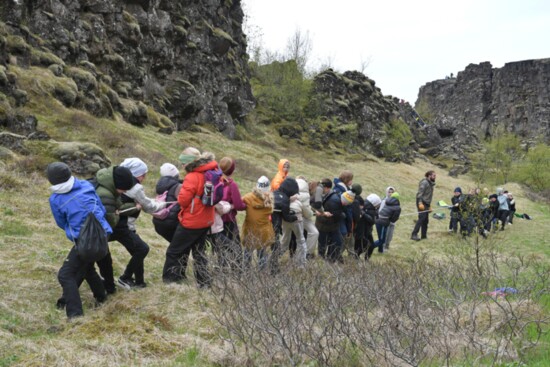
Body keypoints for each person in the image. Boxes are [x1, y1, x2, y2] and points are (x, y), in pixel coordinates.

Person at [47, 162, 112, 318]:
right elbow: (101, 209)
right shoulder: (86, 185)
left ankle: (75, 314)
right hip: (104, 233)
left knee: (65, 275)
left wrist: (75, 233)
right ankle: (102, 297)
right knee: (87, 267)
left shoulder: (56, 199)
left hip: (86, 241)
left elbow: (61, 222)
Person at [162, 147, 218, 287]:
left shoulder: (192, 176)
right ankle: (204, 282)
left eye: (183, 163)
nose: (182, 166)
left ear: (189, 162)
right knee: (199, 252)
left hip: (192, 221)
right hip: (206, 219)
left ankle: (171, 280)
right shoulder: (210, 172)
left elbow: (183, 200)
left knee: (174, 251)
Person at [115, 157, 166, 289]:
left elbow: (143, 200)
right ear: (137, 174)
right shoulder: (135, 187)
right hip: (124, 226)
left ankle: (139, 282)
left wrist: (151, 200)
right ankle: (125, 278)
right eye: (143, 174)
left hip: (114, 223)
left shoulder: (118, 180)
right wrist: (163, 204)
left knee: (137, 250)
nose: (144, 177)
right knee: (142, 249)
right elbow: (149, 207)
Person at [94, 165, 136, 294]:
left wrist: (128, 208)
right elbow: (110, 220)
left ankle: (109, 287)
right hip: (95, 234)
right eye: (123, 190)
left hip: (96, 233)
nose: (123, 193)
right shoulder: (105, 195)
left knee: (104, 261)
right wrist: (117, 214)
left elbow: (118, 207)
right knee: (89, 265)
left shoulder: (108, 185)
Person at [241, 176, 275, 269]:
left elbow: (239, 203)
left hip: (250, 229)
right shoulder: (270, 199)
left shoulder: (248, 197)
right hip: (264, 231)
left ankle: (246, 272)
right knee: (262, 253)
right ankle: (261, 276)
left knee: (247, 252)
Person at [218, 157, 246, 267]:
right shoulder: (231, 185)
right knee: (235, 247)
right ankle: (237, 270)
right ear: (232, 170)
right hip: (229, 220)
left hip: (216, 220)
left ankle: (221, 268)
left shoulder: (216, 181)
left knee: (221, 246)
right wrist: (246, 204)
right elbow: (239, 206)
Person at [315, 178, 344, 262]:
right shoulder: (324, 195)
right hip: (324, 225)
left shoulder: (334, 200)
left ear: (327, 188)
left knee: (330, 244)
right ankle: (323, 260)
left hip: (328, 226)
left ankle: (328, 260)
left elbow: (336, 215)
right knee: (324, 244)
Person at [153, 163, 182, 243]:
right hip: (172, 223)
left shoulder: (161, 185)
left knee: (176, 248)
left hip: (159, 221)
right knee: (178, 249)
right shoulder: (179, 187)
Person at [411, 170, 436, 241]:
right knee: (422, 218)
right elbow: (420, 193)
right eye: (434, 175)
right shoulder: (424, 182)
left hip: (426, 203)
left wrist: (429, 205)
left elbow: (428, 195)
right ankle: (414, 235)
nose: (435, 177)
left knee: (426, 220)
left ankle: (424, 236)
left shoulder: (431, 184)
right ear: (429, 176)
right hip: (421, 202)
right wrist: (420, 203)